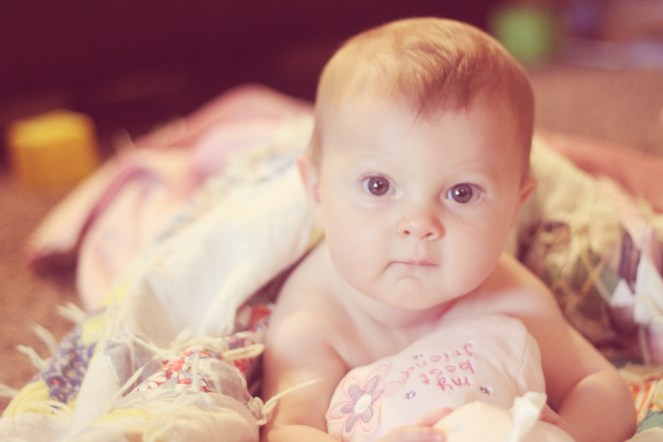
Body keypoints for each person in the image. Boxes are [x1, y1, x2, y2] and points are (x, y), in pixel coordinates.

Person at [261, 17, 636, 442]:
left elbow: (601, 388)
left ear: (514, 209)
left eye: (462, 193)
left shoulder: (512, 302)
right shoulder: (315, 322)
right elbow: (288, 429)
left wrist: (569, 433)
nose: (419, 224)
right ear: (316, 193)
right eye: (379, 186)